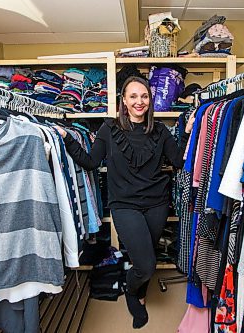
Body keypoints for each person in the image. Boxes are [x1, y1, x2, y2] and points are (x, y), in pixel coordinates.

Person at [58, 76, 195, 329]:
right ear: (124, 100)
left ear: (150, 100)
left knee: (145, 255)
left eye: (144, 96)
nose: (139, 102)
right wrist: (67, 138)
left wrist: (187, 135)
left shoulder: (160, 130)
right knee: (146, 264)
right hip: (124, 205)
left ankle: (139, 290)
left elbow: (179, 162)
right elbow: (90, 162)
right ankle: (132, 291)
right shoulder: (109, 129)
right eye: (133, 96)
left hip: (156, 204)